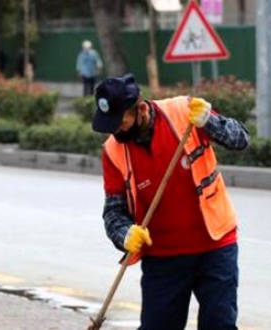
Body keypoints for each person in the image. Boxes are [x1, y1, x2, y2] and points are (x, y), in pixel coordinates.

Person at [91, 74, 250, 330]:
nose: (116, 131)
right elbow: (113, 213)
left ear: (140, 109)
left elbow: (241, 139)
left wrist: (210, 121)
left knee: (219, 325)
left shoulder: (183, 112)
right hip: (163, 257)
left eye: (121, 122)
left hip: (214, 245)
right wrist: (124, 234)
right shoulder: (112, 151)